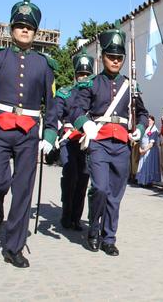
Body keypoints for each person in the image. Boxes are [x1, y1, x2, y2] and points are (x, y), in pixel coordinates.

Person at [0, 0, 58, 267]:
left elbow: (51, 103)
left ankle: (13, 247)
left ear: (35, 32)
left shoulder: (44, 64)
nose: (24, 31)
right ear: (11, 28)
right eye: (20, 26)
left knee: (23, 190)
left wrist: (50, 134)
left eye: (29, 27)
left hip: (29, 131)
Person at [72, 23, 148, 256]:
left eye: (119, 57)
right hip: (100, 143)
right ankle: (93, 229)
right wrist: (85, 123)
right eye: (111, 56)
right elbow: (76, 109)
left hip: (122, 145)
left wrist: (141, 128)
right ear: (103, 57)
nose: (115, 61)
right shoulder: (92, 83)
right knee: (100, 189)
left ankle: (109, 238)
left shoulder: (130, 86)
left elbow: (142, 112)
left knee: (115, 195)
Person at [55, 50, 94, 231]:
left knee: (83, 179)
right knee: (70, 176)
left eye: (87, 74)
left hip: (86, 142)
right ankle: (66, 213)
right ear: (75, 75)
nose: (83, 77)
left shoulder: (94, 93)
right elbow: (55, 114)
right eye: (81, 74)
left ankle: (76, 218)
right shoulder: (65, 93)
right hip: (69, 139)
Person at [136, 116, 161, 187]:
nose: (148, 122)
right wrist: (140, 148)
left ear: (153, 121)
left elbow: (151, 143)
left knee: (148, 165)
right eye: (148, 120)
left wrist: (144, 150)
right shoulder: (146, 128)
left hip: (150, 150)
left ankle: (148, 182)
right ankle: (143, 181)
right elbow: (141, 139)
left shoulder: (154, 129)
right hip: (144, 149)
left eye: (150, 120)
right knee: (143, 166)